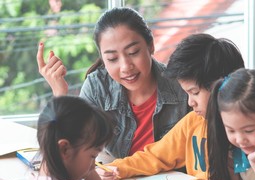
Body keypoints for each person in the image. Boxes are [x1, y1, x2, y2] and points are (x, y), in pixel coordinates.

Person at [98, 33, 245, 180]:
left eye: (195, 93)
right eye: (187, 93)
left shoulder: (242, 131)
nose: (190, 102)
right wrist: (116, 169)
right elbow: (155, 156)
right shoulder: (193, 122)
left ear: (223, 86)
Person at [37, 7, 190, 159]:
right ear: (103, 59)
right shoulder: (97, 87)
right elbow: (70, 149)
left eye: (133, 52)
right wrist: (59, 94)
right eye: (112, 59)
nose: (125, 67)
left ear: (150, 45)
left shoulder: (183, 87)